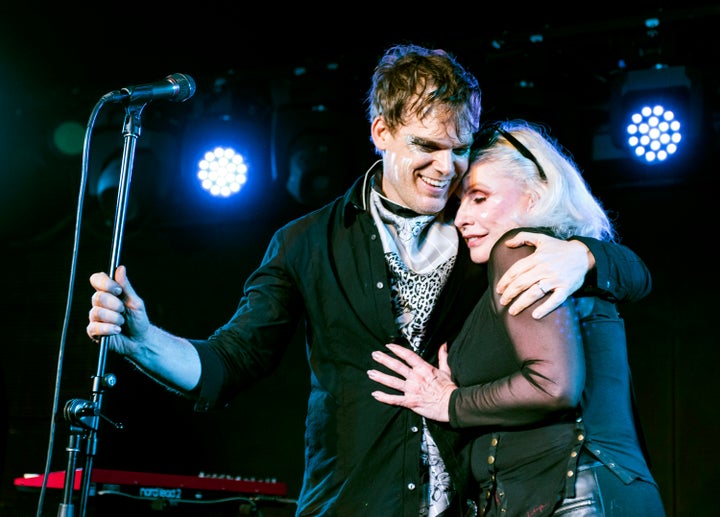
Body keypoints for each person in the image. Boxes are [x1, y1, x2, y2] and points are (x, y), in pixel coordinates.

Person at [86, 46, 652, 517]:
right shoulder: (306, 241)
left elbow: (633, 277)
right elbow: (229, 364)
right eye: (426, 146)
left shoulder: (483, 226)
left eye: (460, 149)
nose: (445, 167)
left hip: (475, 501)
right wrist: (144, 341)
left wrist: (584, 256)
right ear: (382, 131)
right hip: (354, 500)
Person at [367, 119, 664, 516]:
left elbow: (552, 385)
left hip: (576, 494)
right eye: (459, 202)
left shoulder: (518, 249)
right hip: (575, 493)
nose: (460, 219)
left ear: (535, 195)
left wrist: (450, 402)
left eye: (480, 198)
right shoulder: (546, 262)